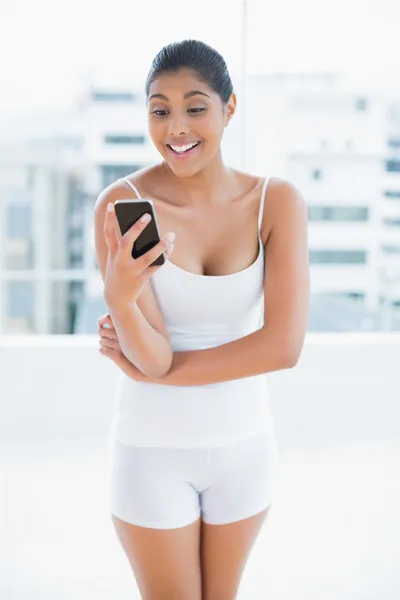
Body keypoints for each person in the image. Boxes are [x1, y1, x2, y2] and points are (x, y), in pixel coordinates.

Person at [94, 39, 309, 600]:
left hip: (246, 449)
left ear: (229, 109)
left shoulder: (276, 202)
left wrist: (153, 373)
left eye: (195, 107)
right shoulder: (123, 203)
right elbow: (154, 352)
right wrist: (120, 299)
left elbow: (283, 347)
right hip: (151, 453)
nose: (176, 127)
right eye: (159, 109)